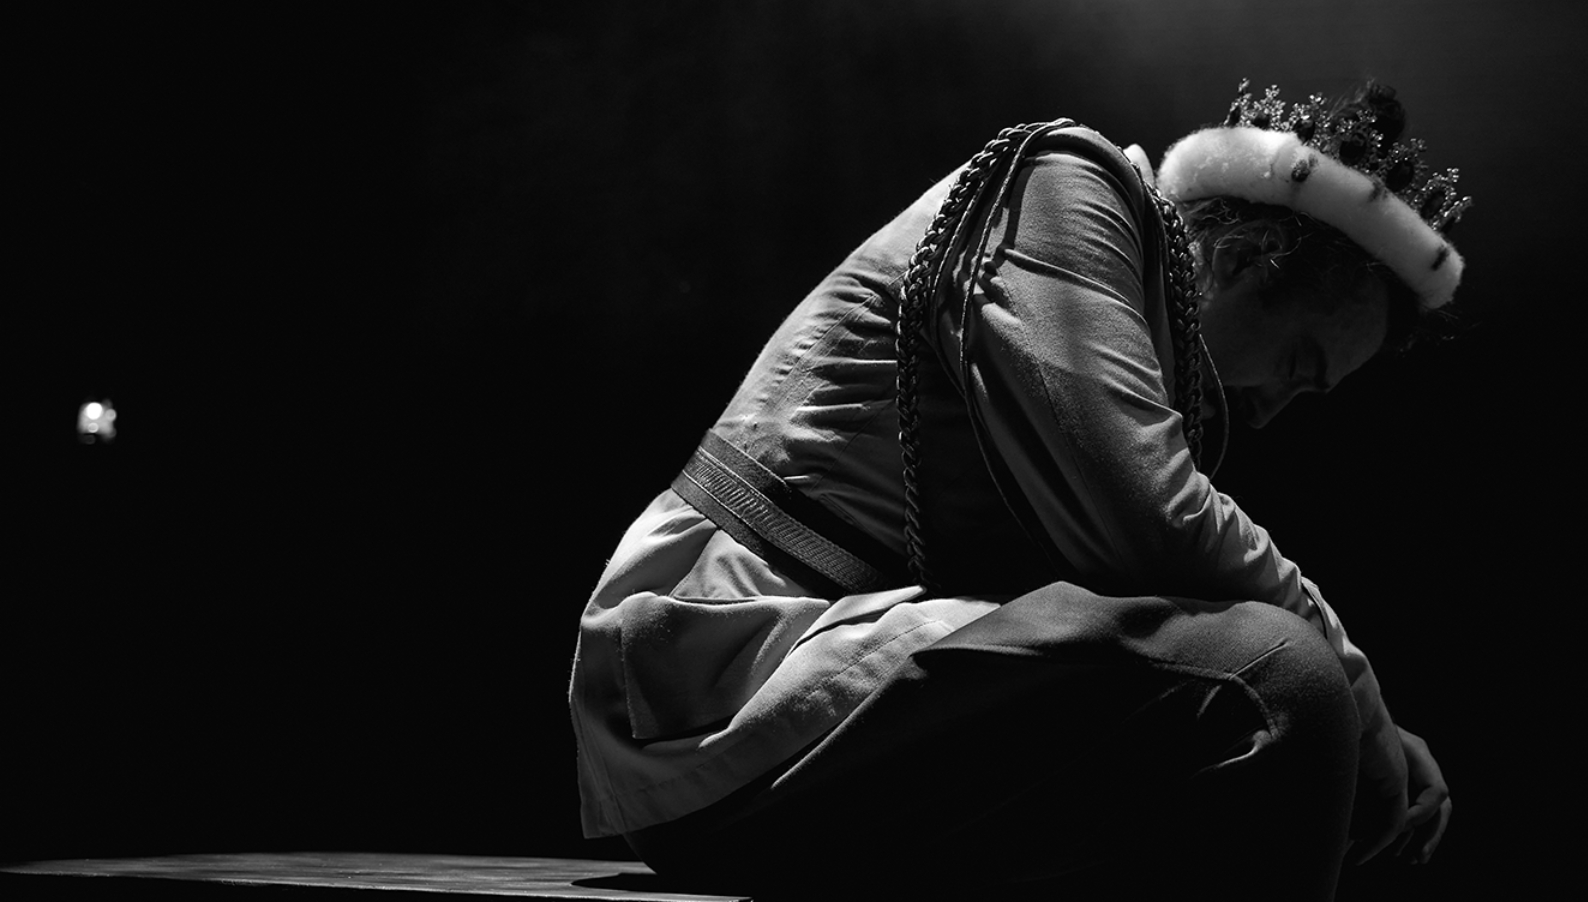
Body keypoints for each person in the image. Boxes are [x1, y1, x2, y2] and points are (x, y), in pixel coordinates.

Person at [568, 80, 1466, 900]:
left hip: (815, 698)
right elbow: (1154, 517)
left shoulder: (1153, 336)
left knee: (1227, 699)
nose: (1270, 412)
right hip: (718, 696)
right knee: (1274, 684)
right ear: (1242, 257)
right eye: (1298, 366)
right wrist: (1358, 697)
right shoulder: (1066, 186)